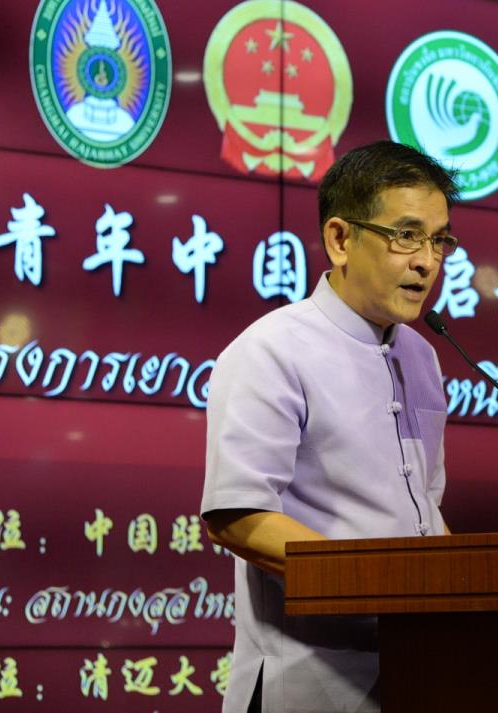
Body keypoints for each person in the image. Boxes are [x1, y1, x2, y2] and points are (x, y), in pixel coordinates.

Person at [200, 141, 460, 713]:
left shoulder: (423, 357)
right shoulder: (273, 349)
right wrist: (384, 582)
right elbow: (237, 517)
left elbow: (425, 510)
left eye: (439, 240)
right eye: (407, 235)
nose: (427, 261)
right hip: (308, 682)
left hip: (420, 669)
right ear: (340, 239)